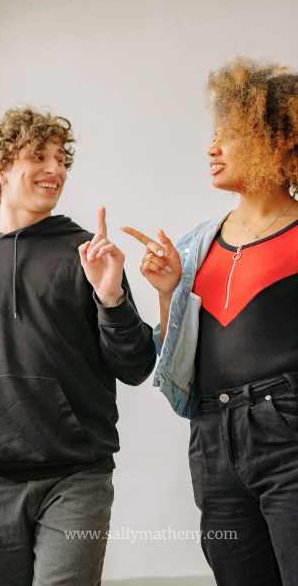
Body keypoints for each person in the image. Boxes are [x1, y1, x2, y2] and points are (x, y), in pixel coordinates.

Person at [0, 106, 156, 585]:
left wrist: (111, 297)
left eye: (61, 159)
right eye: (38, 156)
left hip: (76, 473)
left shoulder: (87, 255)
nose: (55, 169)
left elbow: (135, 365)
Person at [122, 58, 298, 586]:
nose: (212, 148)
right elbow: (177, 354)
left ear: (280, 142)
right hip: (212, 438)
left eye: (231, 135)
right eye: (213, 135)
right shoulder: (197, 243)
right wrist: (168, 291)